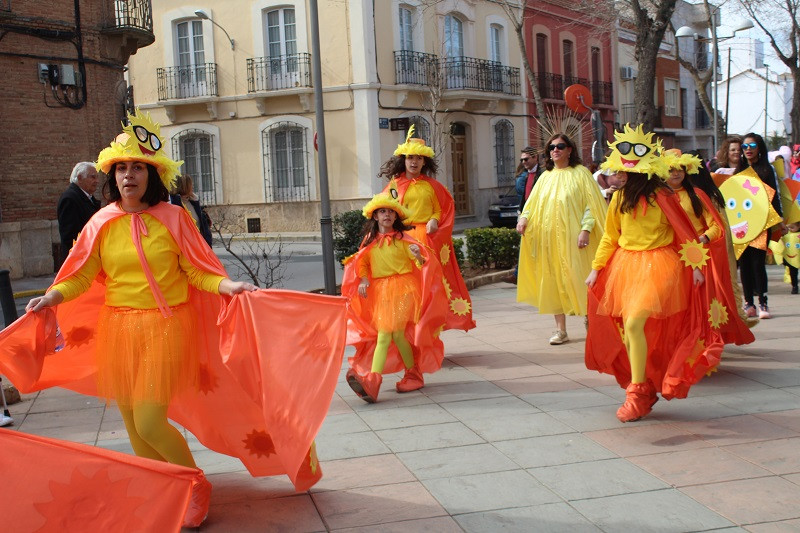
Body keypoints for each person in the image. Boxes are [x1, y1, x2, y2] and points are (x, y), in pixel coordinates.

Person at [20, 110, 348, 527]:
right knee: (132, 425)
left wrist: (227, 287)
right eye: (121, 168)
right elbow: (83, 274)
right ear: (111, 176)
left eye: (137, 167)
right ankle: (164, 486)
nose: (128, 176)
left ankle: (195, 485)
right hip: (118, 328)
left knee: (150, 420)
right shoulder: (100, 223)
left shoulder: (174, 218)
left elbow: (197, 270)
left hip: (166, 326)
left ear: (151, 175)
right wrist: (52, 296)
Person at [585, 124, 713, 422]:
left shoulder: (663, 196)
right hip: (625, 265)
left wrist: (695, 267)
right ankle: (641, 386)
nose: (618, 175)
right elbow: (610, 237)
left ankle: (637, 391)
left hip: (660, 265)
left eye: (622, 171)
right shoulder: (618, 198)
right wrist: (596, 268)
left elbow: (685, 233)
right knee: (631, 329)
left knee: (633, 323)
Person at [341, 193, 446, 402]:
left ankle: (373, 380)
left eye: (390, 211)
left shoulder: (404, 240)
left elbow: (421, 266)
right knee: (397, 335)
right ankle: (413, 373)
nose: (386, 215)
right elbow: (362, 263)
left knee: (385, 334)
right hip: (381, 292)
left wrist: (417, 255)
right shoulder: (370, 242)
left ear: (396, 217)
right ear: (375, 217)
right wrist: (363, 280)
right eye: (382, 211)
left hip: (404, 289)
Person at [379, 126, 475, 337]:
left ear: (425, 162)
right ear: (403, 159)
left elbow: (440, 208)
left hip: (425, 241)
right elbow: (385, 209)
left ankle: (429, 335)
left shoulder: (432, 186)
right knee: (405, 289)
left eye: (419, 158)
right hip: (402, 241)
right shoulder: (394, 185)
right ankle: (406, 336)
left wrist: (433, 220)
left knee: (427, 289)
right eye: (411, 157)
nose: (414, 162)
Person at [515, 132, 607, 345]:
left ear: (569, 150)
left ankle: (590, 321)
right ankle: (560, 330)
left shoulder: (581, 173)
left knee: (581, 276)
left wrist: (586, 229)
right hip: (549, 240)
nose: (555, 150)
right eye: (551, 147)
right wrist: (524, 220)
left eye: (560, 146)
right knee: (554, 279)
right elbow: (531, 204)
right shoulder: (545, 176)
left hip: (576, 238)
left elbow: (591, 205)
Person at [686, 150, 757, 326]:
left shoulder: (705, 194)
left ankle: (736, 319)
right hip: (706, 246)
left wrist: (707, 240)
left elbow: (719, 224)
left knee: (721, 285)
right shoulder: (700, 191)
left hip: (711, 245)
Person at [736, 133, 787, 319]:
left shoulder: (767, 170)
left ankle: (763, 302)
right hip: (740, 225)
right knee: (744, 264)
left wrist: (779, 220)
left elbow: (775, 196)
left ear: (760, 148)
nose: (748, 149)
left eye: (752, 145)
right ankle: (749, 303)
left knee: (758, 263)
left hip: (760, 223)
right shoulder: (738, 170)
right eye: (744, 146)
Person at [57, 162, 101, 263]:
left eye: (97, 177)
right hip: (79, 259)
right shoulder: (70, 199)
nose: (97, 181)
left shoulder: (88, 197)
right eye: (93, 177)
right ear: (80, 177)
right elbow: (70, 236)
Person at [170, 174, 213, 246]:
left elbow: (202, 226)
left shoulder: (193, 201)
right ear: (184, 186)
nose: (192, 186)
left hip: (200, 246)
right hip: (186, 247)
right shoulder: (173, 204)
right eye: (190, 184)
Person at [515, 146, 542, 211]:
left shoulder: (543, 173)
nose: (523, 162)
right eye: (521, 160)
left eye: (526, 159)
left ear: (535, 157)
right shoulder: (526, 174)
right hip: (527, 211)